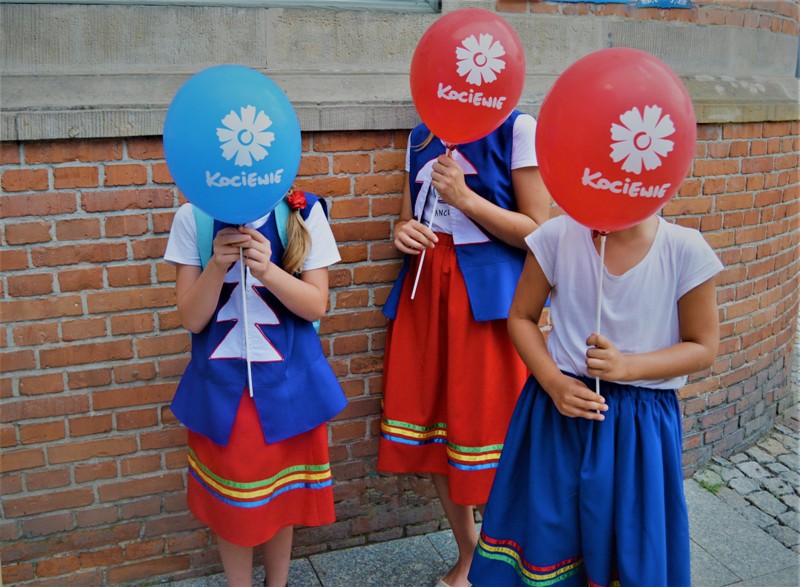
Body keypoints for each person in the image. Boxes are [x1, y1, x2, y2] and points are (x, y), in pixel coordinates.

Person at [468, 211, 724, 587]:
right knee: (549, 530)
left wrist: (627, 367)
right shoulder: (556, 236)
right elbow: (521, 317)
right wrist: (552, 381)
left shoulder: (683, 249)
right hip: (557, 413)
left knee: (630, 539)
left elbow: (703, 347)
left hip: (637, 429)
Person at [378, 111, 551, 587]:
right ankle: (470, 553)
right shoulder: (421, 135)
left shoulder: (517, 128)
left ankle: (511, 558)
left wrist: (467, 199)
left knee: (495, 430)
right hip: (425, 294)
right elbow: (408, 216)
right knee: (438, 425)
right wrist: (402, 230)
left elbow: (539, 231)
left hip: (486, 302)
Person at [163, 190, 347, 587]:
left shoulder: (304, 211)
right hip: (223, 396)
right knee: (233, 506)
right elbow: (191, 319)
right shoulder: (193, 218)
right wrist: (217, 264)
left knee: (281, 499)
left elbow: (316, 305)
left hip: (289, 393)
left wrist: (268, 271)